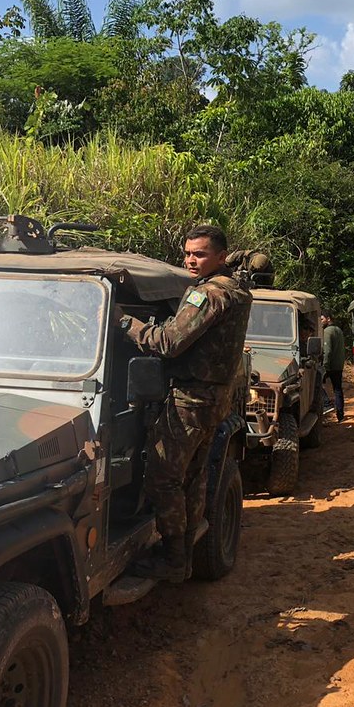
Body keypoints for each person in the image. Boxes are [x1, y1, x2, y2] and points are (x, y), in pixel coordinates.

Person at [116, 224, 252, 582]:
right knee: (192, 477)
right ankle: (184, 555)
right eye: (188, 253)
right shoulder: (234, 288)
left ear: (220, 257)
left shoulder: (208, 295)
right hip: (212, 398)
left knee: (161, 477)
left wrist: (122, 321)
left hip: (191, 399)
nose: (191, 260)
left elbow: (168, 343)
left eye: (200, 254)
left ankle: (174, 559)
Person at [320, 310, 345, 422]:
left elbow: (327, 351)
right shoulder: (339, 330)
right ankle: (340, 414)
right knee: (338, 389)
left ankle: (326, 404)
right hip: (339, 365)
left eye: (322, 319)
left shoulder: (327, 332)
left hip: (329, 365)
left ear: (328, 319)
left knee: (317, 384)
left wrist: (325, 366)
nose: (321, 322)